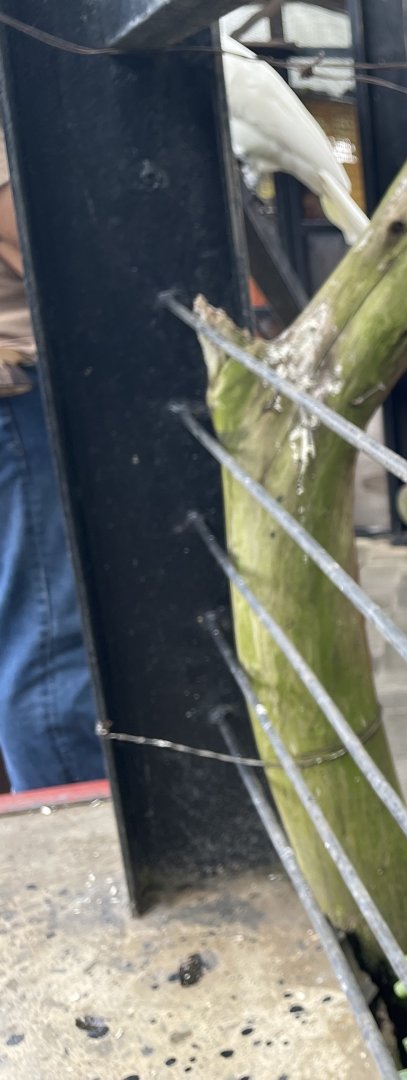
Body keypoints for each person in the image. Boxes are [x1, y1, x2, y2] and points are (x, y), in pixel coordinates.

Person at [0, 130, 105, 791]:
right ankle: (77, 819)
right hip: (18, 393)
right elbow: (41, 249)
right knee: (49, 640)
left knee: (29, 625)